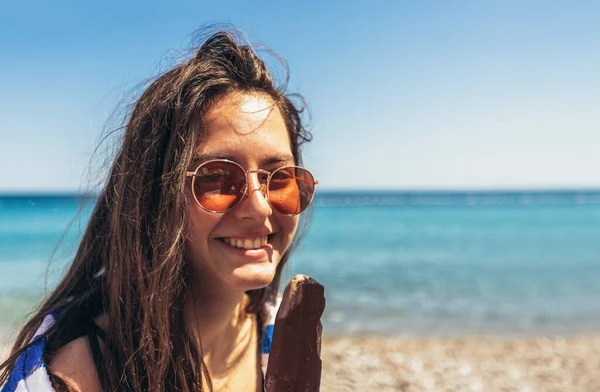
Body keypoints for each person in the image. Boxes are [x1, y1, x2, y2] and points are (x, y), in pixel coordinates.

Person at [0, 29, 317, 392]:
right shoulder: (66, 377)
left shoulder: (282, 328)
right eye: (216, 177)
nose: (259, 207)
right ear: (154, 194)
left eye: (279, 178)